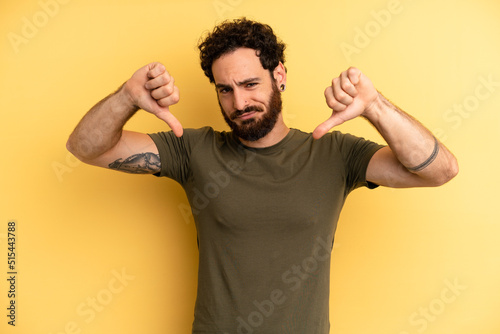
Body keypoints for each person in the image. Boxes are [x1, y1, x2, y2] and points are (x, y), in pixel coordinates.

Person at [66, 18, 458, 334]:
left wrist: (374, 107)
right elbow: (86, 148)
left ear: (279, 75)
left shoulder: (336, 154)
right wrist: (127, 97)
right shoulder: (193, 150)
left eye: (250, 84)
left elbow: (440, 171)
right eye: (225, 90)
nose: (239, 103)